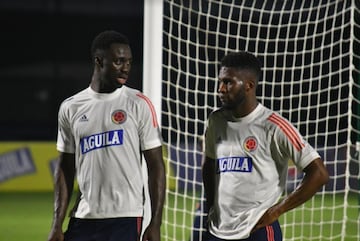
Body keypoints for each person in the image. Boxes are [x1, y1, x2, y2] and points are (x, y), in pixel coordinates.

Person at [47, 30, 165, 241]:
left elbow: (156, 166)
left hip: (125, 218)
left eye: (129, 62)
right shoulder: (71, 107)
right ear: (99, 61)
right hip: (84, 218)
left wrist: (154, 223)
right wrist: (57, 224)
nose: (126, 67)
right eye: (119, 61)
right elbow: (65, 168)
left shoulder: (138, 104)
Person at [202, 51, 329, 241]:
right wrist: (210, 207)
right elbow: (209, 164)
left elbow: (319, 173)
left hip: (258, 231)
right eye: (220, 81)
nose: (221, 88)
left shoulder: (274, 126)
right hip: (217, 231)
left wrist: (277, 211)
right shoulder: (215, 120)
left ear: (249, 85)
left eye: (228, 82)